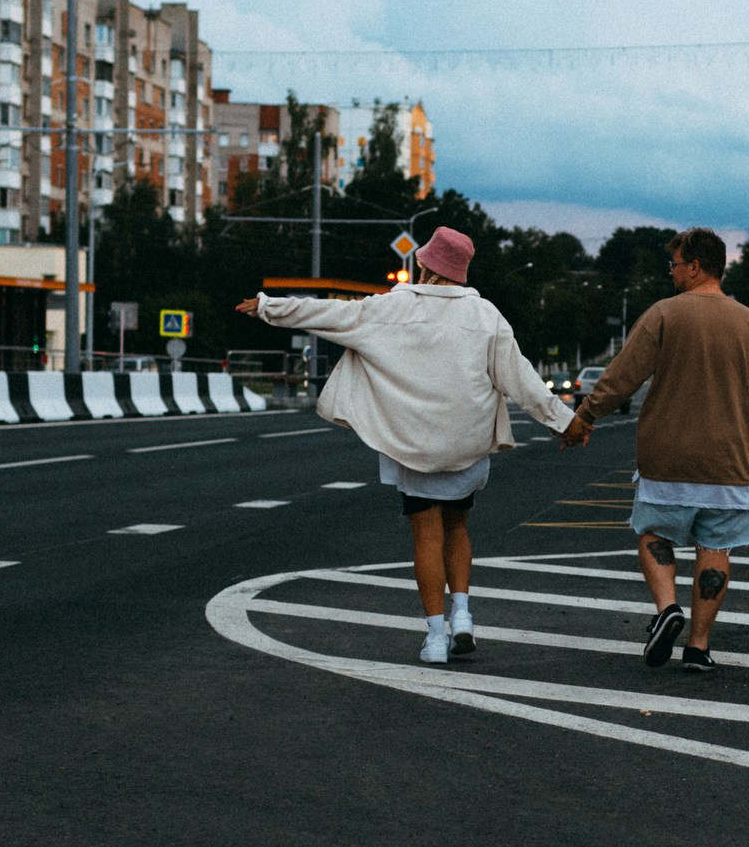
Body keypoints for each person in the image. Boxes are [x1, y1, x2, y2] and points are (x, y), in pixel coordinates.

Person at [236, 227, 581, 665]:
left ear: (424, 265)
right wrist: (565, 422)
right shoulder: (487, 316)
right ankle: (463, 616)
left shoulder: (392, 307)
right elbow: (522, 379)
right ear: (460, 271)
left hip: (412, 443)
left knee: (426, 534)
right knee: (458, 528)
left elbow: (327, 314)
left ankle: (435, 637)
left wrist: (268, 307)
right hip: (466, 443)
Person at [566, 227, 749, 676]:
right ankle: (698, 646)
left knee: (654, 534)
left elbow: (622, 376)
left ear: (696, 266)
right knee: (716, 548)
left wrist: (584, 417)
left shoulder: (663, 314)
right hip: (729, 460)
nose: (671, 273)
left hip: (667, 456)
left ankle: (667, 609)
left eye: (675, 264)